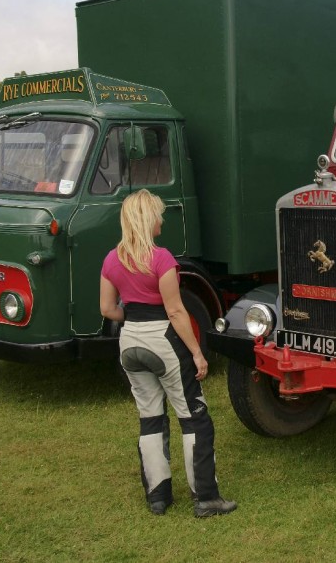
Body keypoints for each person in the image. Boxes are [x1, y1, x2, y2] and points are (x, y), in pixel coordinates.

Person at [100, 189, 236, 518]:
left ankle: (157, 498)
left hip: (130, 341)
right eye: (159, 214)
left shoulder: (111, 259)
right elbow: (175, 312)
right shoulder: (162, 259)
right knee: (195, 418)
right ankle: (206, 499)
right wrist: (198, 355)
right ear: (148, 220)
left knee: (150, 419)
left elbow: (107, 309)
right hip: (162, 338)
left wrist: (132, 318)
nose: (162, 219)